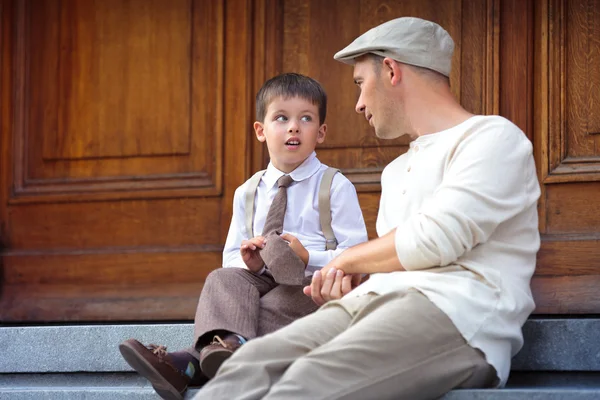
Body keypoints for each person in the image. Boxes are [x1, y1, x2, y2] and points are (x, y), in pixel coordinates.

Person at [192, 17, 541, 400]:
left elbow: (435, 239)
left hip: (456, 315)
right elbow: (395, 264)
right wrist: (345, 286)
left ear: (391, 70)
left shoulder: (492, 138)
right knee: (245, 367)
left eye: (360, 83)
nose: (358, 104)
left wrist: (343, 262)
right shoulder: (394, 173)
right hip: (371, 306)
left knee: (304, 384)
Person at [118, 73, 368, 400]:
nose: (293, 127)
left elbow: (358, 252)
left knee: (277, 301)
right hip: (262, 278)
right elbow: (231, 256)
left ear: (320, 133)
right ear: (261, 131)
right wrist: (250, 263)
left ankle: (189, 362)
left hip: (311, 284)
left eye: (305, 119)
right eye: (281, 118)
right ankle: (230, 347)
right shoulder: (247, 192)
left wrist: (308, 257)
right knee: (223, 279)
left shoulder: (334, 186)